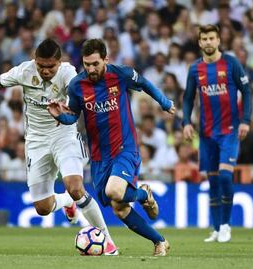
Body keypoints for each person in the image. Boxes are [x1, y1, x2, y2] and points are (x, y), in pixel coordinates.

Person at [0, 38, 118, 255]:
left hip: (64, 135)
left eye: (50, 67)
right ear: (34, 61)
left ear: (59, 62)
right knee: (42, 207)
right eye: (41, 66)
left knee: (76, 188)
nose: (45, 71)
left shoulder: (68, 74)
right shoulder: (24, 71)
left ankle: (108, 242)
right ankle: (65, 202)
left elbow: (87, 102)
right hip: (36, 141)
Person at [47, 39, 175, 256]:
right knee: (119, 207)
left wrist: (164, 102)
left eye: (95, 63)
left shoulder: (121, 74)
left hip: (125, 148)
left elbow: (144, 83)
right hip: (99, 156)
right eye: (86, 64)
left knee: (114, 191)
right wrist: (61, 116)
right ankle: (159, 241)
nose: (91, 69)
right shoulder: (77, 86)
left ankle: (143, 195)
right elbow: (73, 116)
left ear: (105, 59)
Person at [182, 24, 251, 243]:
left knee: (224, 176)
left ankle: (226, 226)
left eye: (212, 38)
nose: (209, 42)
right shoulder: (195, 69)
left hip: (229, 131)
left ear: (219, 40)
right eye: (205, 39)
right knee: (212, 182)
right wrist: (186, 122)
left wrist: (246, 121)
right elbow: (187, 98)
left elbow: (247, 91)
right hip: (207, 134)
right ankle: (216, 228)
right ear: (200, 42)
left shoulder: (231, 63)